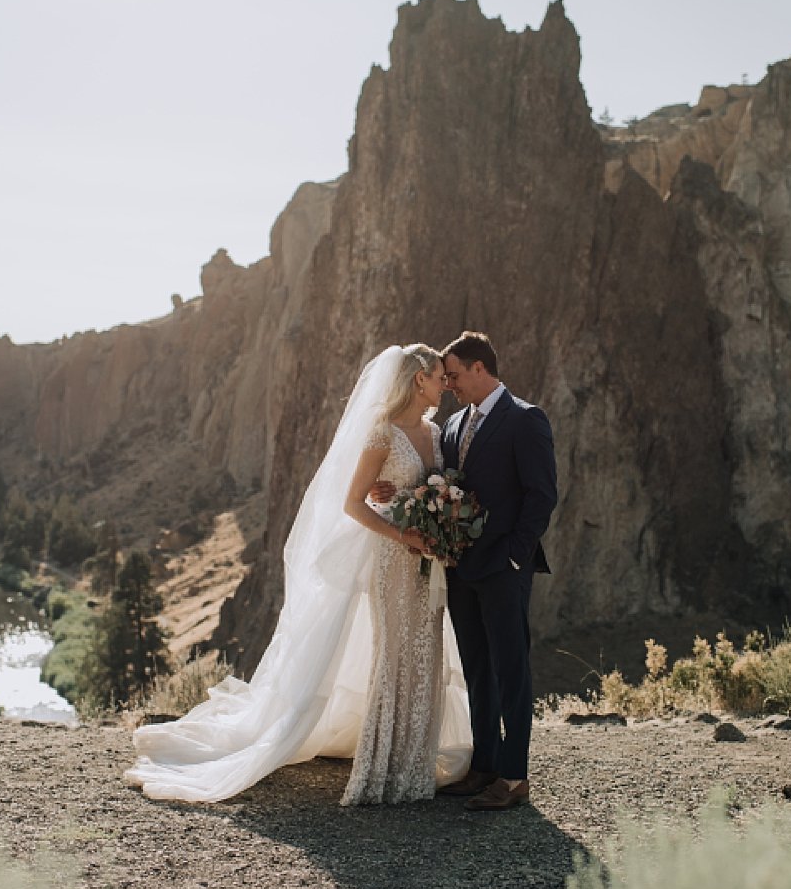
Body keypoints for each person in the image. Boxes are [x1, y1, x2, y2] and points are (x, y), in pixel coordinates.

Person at [124, 344, 471, 805]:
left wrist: (439, 523)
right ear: (417, 380)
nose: (445, 385)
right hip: (393, 559)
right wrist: (400, 533)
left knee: (425, 652)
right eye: (437, 378)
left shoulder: (434, 432)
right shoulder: (381, 432)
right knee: (394, 655)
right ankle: (382, 766)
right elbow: (353, 503)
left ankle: (414, 766)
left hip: (428, 561)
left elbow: (432, 488)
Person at [393, 330, 558, 811]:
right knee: (478, 670)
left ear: (480, 369)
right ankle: (483, 766)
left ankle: (513, 776)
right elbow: (437, 484)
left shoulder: (525, 420)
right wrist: (395, 498)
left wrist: (514, 556)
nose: (449, 385)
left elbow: (541, 495)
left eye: (455, 375)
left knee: (512, 669)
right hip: (461, 567)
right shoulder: (452, 425)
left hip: (504, 568)